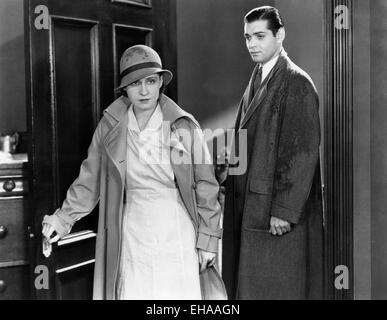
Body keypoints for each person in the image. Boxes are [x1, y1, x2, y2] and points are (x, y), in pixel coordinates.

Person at [42, 45, 223, 300]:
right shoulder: (110, 125)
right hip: (131, 228)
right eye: (135, 83)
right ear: (124, 88)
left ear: (161, 81)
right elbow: (90, 178)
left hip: (175, 227)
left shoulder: (183, 124)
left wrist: (208, 240)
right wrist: (63, 219)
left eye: (151, 81)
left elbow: (206, 185)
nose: (144, 90)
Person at [222, 6, 324, 299]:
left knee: (278, 288)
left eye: (260, 36)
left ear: (280, 35)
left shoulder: (296, 82)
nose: (252, 44)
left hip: (275, 217)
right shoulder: (258, 76)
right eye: (247, 37)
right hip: (253, 209)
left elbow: (302, 153)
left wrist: (284, 211)